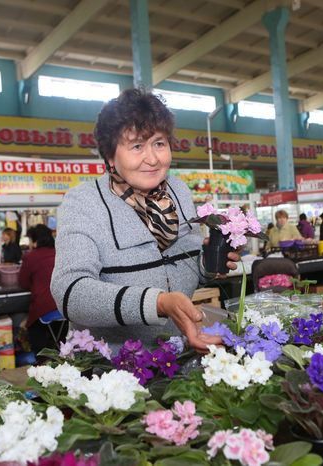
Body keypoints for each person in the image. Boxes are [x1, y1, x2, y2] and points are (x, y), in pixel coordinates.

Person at [50, 88, 237, 351]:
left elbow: (179, 270)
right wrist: (157, 303)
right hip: (112, 369)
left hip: (177, 354)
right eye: (137, 146)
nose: (152, 158)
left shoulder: (178, 192)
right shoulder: (84, 202)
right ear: (110, 155)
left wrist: (208, 264)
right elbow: (71, 294)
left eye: (159, 143)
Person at [19, 224, 61, 354]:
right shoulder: (60, 253)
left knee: (34, 327)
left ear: (35, 241)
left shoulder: (30, 257)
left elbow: (23, 283)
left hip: (45, 307)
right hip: (65, 306)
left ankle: (41, 359)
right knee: (60, 331)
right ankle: (60, 352)